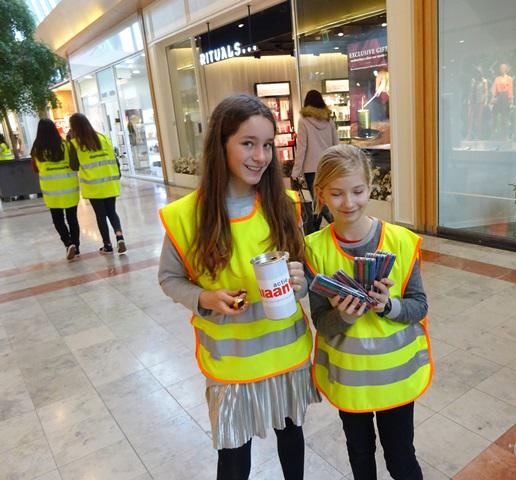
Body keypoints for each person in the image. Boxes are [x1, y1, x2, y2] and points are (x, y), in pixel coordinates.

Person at [158, 94, 319, 480]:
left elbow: (304, 273)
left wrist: (300, 283)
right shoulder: (187, 216)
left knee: (291, 437)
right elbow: (169, 278)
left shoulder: (285, 204)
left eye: (267, 145)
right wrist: (203, 297)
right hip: (230, 362)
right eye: (248, 143)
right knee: (233, 455)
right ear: (221, 145)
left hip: (285, 354)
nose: (261, 156)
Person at [305, 144, 432, 480]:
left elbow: (419, 305)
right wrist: (344, 316)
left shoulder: (401, 241)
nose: (349, 202)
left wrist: (388, 306)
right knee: (360, 456)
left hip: (396, 379)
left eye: (358, 191)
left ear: (371, 187)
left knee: (401, 457)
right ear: (321, 194)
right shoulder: (313, 250)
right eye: (337, 193)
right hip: (350, 379)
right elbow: (321, 321)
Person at [68, 113, 127, 255]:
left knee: (101, 215)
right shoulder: (103, 137)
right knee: (112, 212)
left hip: (94, 185)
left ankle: (107, 245)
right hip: (110, 182)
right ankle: (120, 237)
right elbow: (114, 158)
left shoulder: (75, 143)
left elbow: (74, 166)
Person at [31, 119, 80, 260]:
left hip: (51, 191)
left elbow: (35, 169)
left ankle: (68, 243)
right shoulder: (66, 145)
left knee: (58, 219)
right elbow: (74, 164)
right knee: (72, 219)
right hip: (69, 188)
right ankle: (76, 247)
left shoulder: (36, 150)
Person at [291, 89, 339, 231]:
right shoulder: (329, 120)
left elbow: (302, 148)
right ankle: (314, 229)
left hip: (311, 169)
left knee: (319, 200)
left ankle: (335, 224)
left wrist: (295, 172)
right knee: (324, 198)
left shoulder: (304, 121)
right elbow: (336, 144)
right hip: (328, 166)